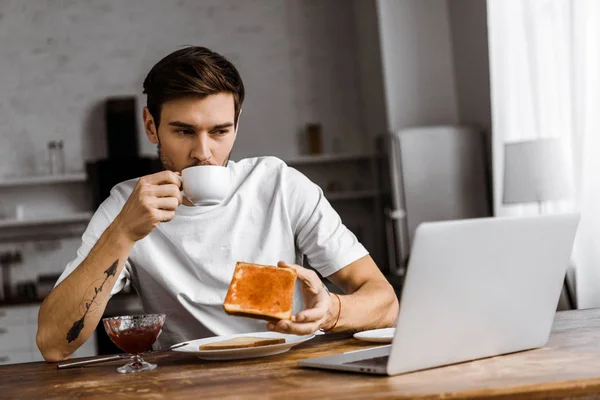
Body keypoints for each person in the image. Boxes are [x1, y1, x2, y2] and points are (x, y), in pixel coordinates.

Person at [36, 46, 399, 362]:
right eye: (183, 131)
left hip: (293, 372)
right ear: (151, 127)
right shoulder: (125, 207)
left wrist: (329, 310)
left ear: (237, 125)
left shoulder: (279, 185)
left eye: (219, 131)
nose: (203, 153)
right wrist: (123, 233)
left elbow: (385, 302)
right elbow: (53, 345)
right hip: (186, 383)